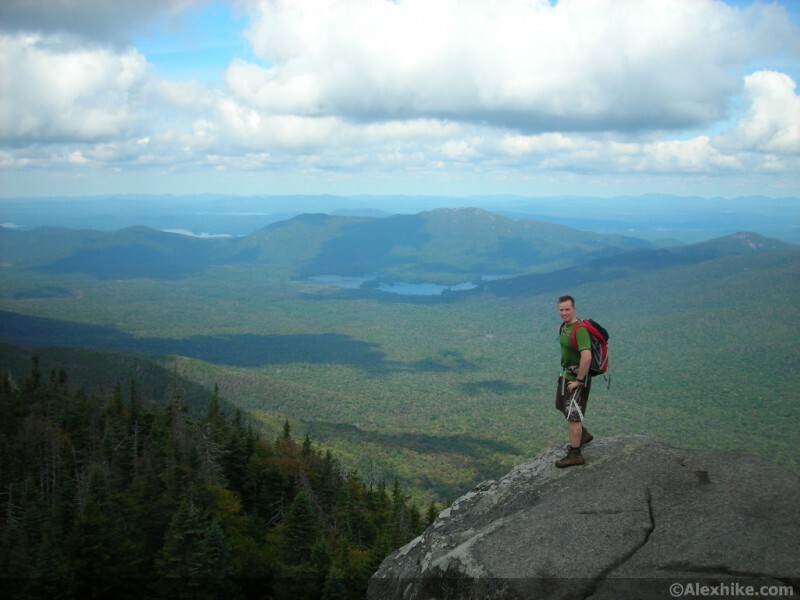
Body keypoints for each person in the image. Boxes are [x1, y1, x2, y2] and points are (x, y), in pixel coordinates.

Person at [554, 295, 593, 468]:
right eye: (561, 310)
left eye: (567, 309)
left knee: (573, 416)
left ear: (574, 309)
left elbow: (587, 357)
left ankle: (575, 454)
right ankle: (582, 434)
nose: (564, 313)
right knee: (560, 405)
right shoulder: (565, 327)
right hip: (566, 375)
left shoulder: (580, 329)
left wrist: (579, 380)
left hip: (576, 379)